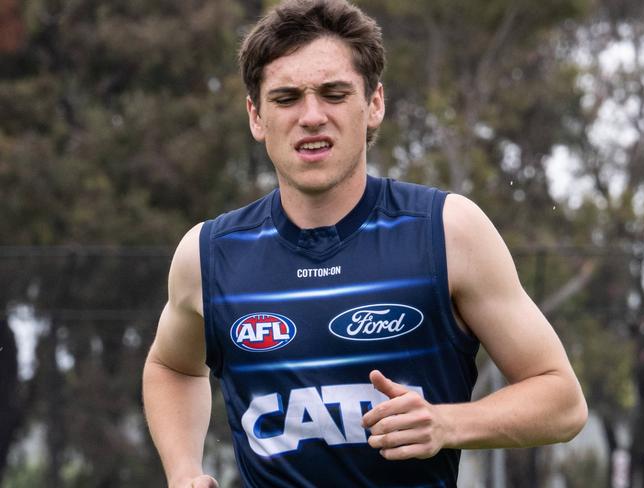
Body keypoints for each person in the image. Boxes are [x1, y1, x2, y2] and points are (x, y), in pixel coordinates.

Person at [142, 0, 588, 486]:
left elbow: (562, 400)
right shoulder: (207, 255)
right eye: (287, 98)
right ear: (256, 116)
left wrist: (448, 424)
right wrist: (183, 469)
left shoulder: (446, 231)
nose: (311, 116)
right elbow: (171, 367)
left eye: (334, 94)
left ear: (373, 103)